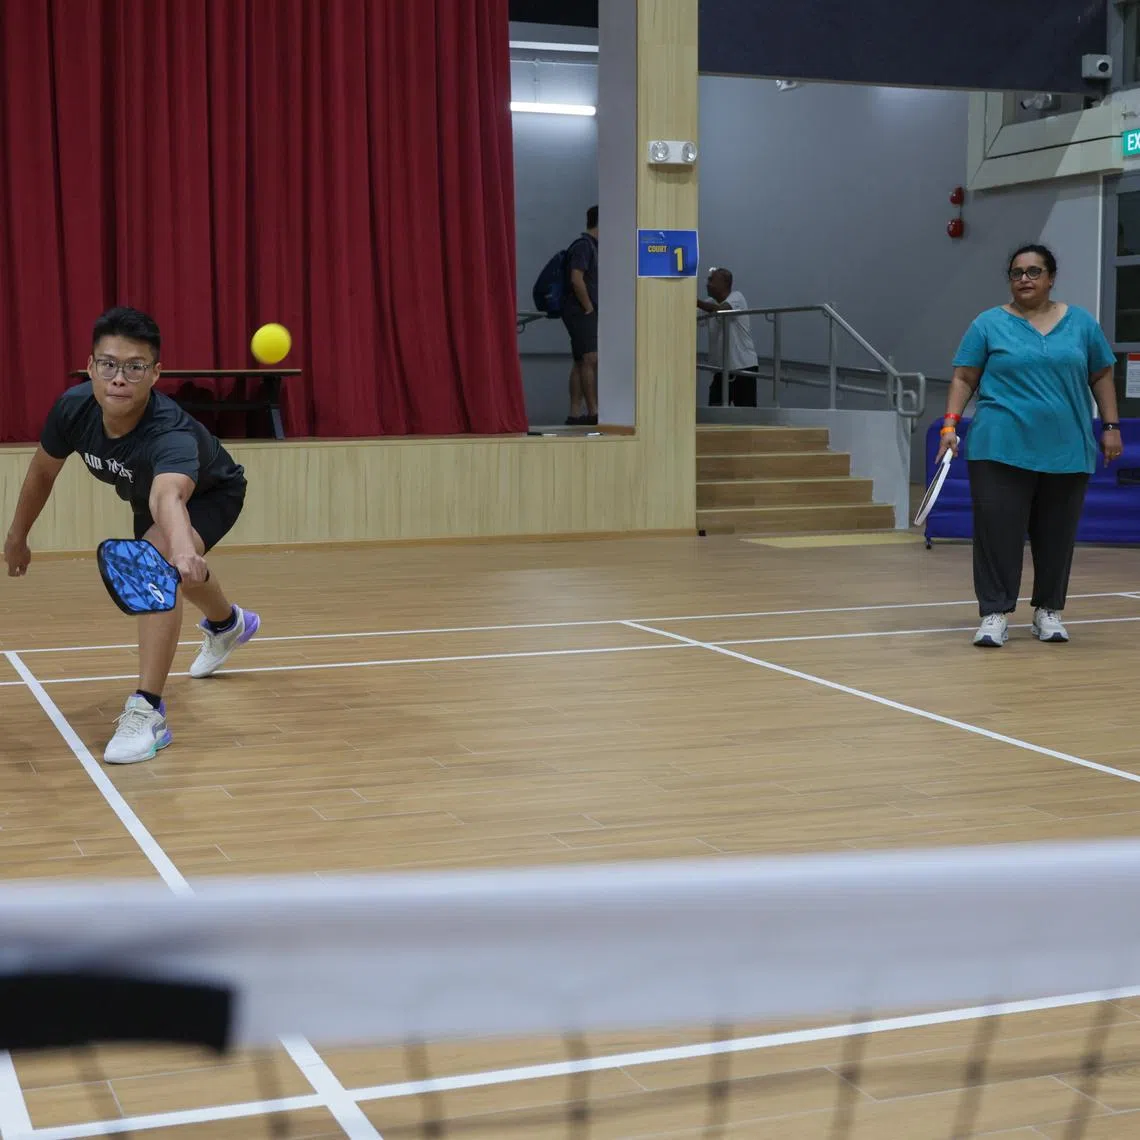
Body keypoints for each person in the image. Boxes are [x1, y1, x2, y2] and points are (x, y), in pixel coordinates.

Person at [2, 306, 260, 763]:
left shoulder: (170, 433)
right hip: (149, 497)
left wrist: (181, 548)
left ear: (155, 373)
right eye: (109, 364)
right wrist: (17, 535)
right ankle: (228, 624)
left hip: (211, 492)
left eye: (135, 367)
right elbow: (42, 473)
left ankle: (149, 710)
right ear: (91, 367)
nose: (119, 378)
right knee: (173, 569)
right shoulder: (73, 408)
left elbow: (170, 497)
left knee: (152, 569)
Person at [939, 244, 1122, 648]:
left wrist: (1111, 425)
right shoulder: (987, 324)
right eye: (1017, 272)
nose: (1025, 278)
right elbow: (964, 378)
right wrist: (949, 425)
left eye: (1034, 271)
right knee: (996, 534)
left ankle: (1048, 612)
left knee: (1056, 534)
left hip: (1066, 446)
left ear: (1051, 277)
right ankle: (994, 613)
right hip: (998, 445)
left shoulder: (1081, 324)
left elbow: (1102, 375)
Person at [697, 267, 759, 406]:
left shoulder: (737, 297)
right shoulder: (710, 304)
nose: (707, 284)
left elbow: (721, 310)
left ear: (724, 283)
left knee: (745, 417)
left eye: (711, 280)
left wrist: (694, 300)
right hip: (721, 371)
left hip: (743, 368)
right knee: (714, 414)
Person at [562, 205, 599, 426]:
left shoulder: (593, 246)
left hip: (583, 309)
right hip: (580, 310)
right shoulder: (584, 246)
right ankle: (593, 411)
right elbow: (577, 278)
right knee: (590, 358)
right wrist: (588, 306)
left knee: (579, 361)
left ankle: (575, 412)